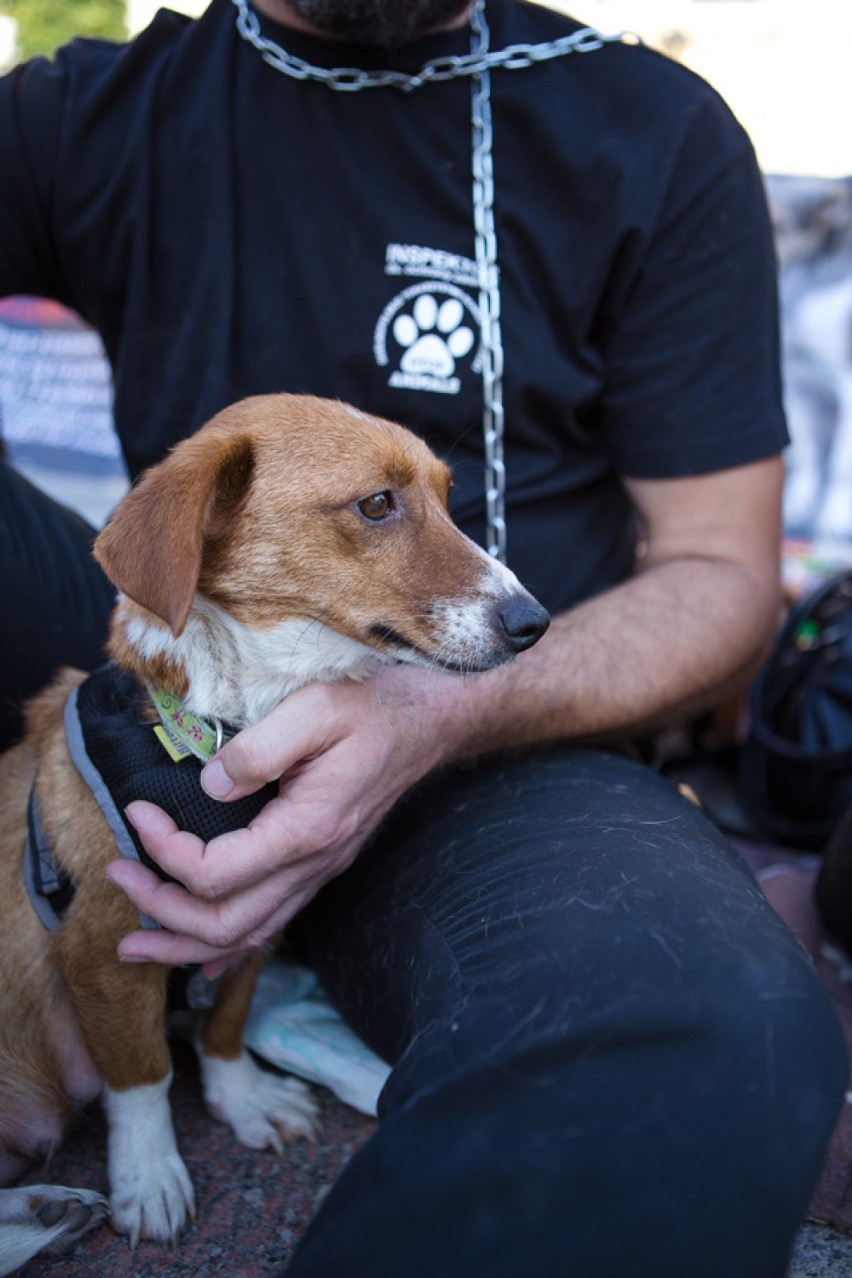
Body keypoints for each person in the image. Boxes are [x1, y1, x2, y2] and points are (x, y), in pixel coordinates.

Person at [0, 1, 847, 1273]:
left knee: (722, 1022)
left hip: (503, 739)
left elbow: (726, 573)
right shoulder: (88, 111)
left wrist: (439, 713)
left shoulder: (648, 128)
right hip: (169, 653)